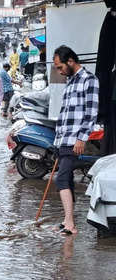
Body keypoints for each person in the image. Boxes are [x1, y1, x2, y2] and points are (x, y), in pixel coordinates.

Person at [52, 45, 99, 236]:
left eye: (60, 67)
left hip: (75, 140)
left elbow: (91, 113)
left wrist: (81, 138)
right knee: (67, 179)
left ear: (70, 61)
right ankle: (66, 220)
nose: (59, 71)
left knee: (61, 178)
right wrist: (57, 141)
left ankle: (70, 224)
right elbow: (65, 114)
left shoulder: (89, 80)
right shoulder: (70, 81)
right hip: (63, 139)